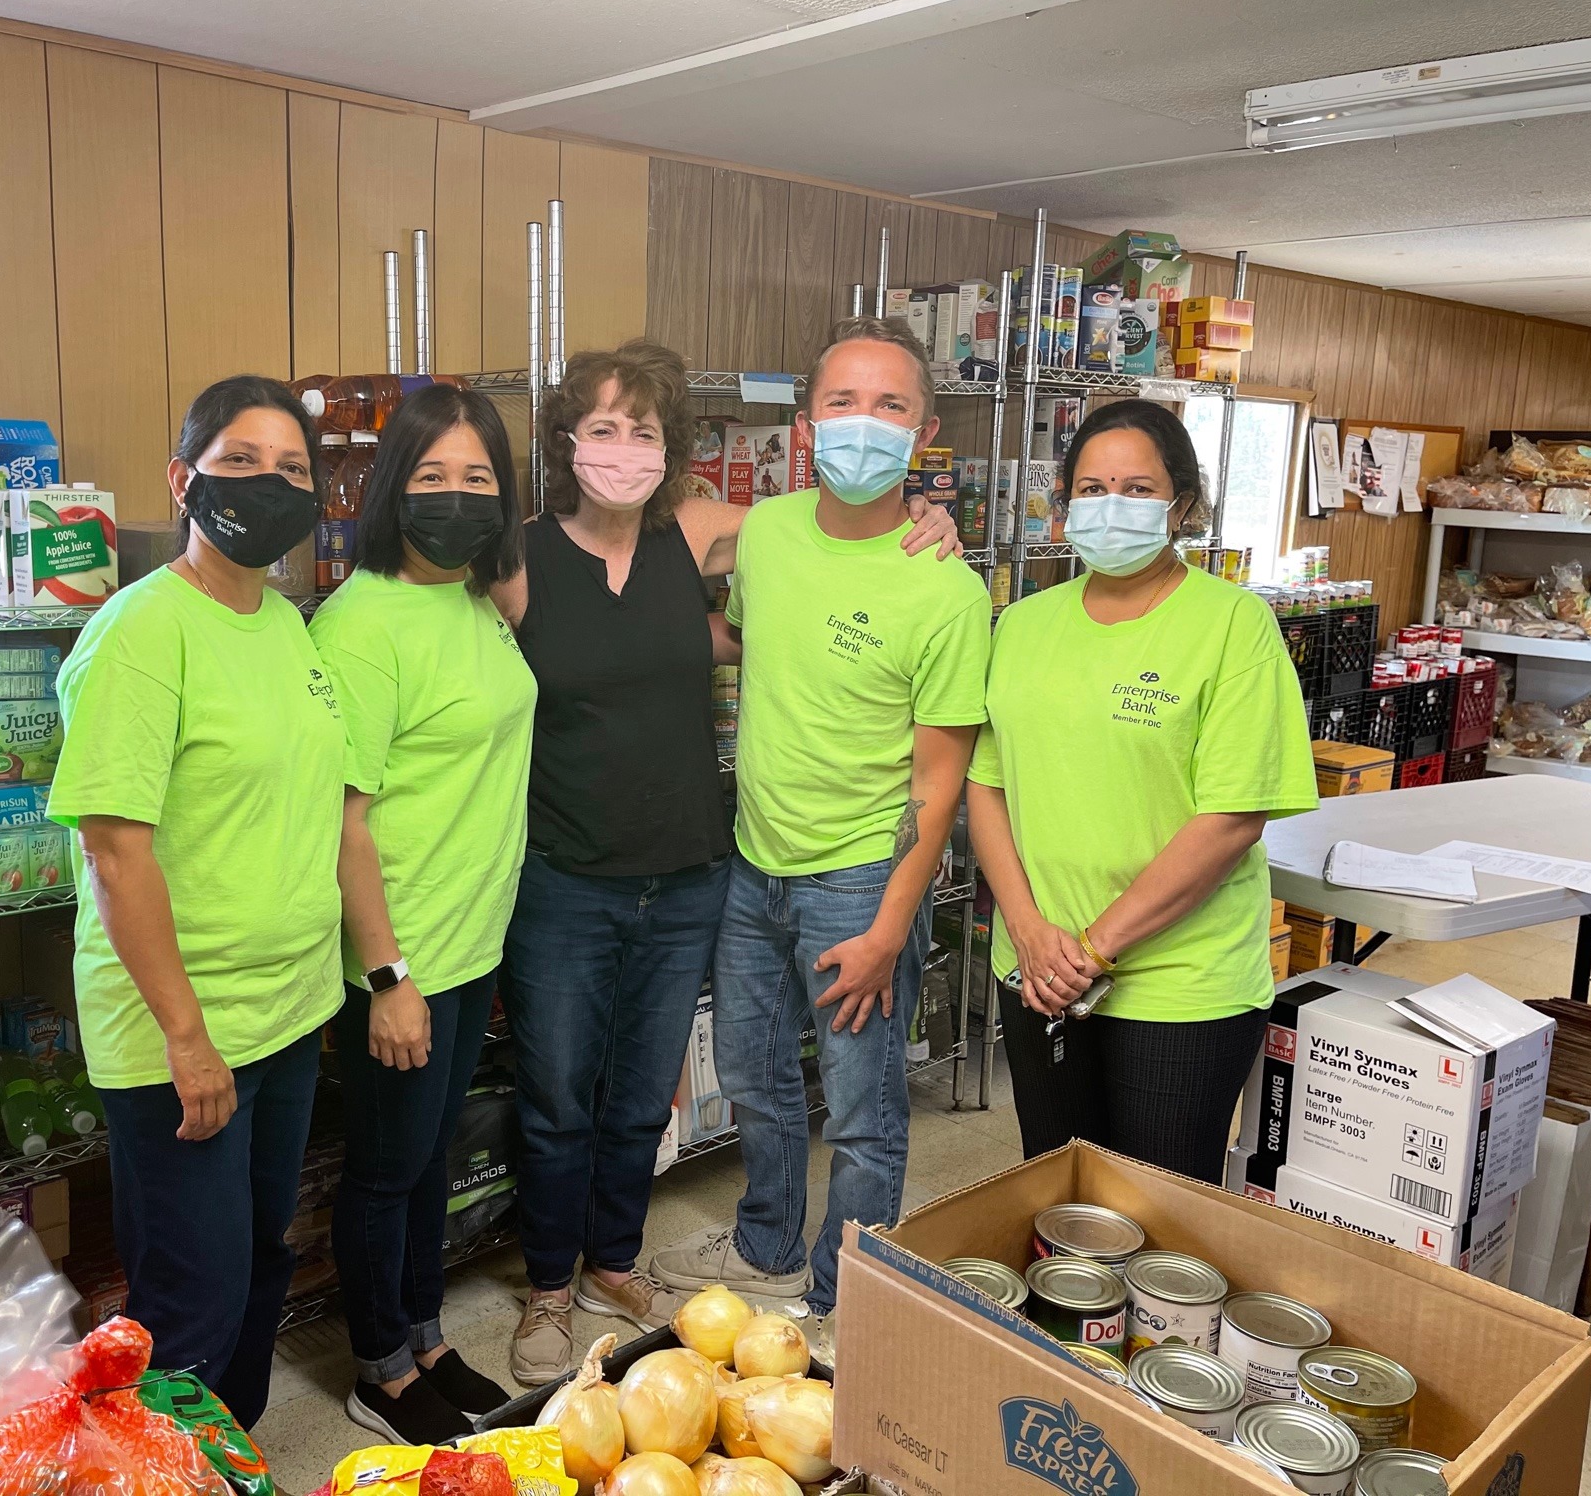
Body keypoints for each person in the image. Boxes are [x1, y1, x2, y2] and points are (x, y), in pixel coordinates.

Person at [493, 339, 961, 1386]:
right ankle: (550, 1286)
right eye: (601, 428)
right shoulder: (515, 558)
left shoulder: (709, 531)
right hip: (571, 875)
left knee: (645, 1092)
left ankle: (628, 1263)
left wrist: (931, 517)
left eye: (644, 430)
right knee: (565, 1092)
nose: (621, 450)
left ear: (674, 449)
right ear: (565, 441)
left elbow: (849, 536)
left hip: (697, 869)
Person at [648, 316, 991, 1326]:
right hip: (755, 861)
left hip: (860, 878)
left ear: (924, 430)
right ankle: (767, 1244)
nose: (863, 425)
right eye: (843, 402)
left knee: (864, 1111)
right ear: (805, 422)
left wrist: (891, 925)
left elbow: (940, 782)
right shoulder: (771, 532)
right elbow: (739, 631)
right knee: (754, 1076)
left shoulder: (946, 589)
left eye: (890, 405)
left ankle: (848, 1307)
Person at [48, 375, 344, 1430]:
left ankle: (231, 1457)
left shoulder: (284, 624)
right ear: (182, 481)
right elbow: (118, 858)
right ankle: (164, 1463)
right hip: (187, 1030)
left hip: (287, 1013)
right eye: (242, 464)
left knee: (263, 1261)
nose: (271, 487)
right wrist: (186, 1035)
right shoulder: (141, 632)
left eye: (294, 470)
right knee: (191, 1300)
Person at [965, 398, 1317, 1184]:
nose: (1110, 506)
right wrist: (1028, 933)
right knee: (1059, 1196)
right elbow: (987, 785)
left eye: (1135, 487)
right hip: (1039, 970)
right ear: (1063, 508)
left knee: (1158, 1214)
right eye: (1090, 489)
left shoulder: (1232, 625)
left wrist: (1091, 950)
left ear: (1181, 505)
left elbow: (1229, 820)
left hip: (1180, 987)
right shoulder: (1021, 625)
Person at [311, 384, 534, 1445]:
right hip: (401, 955)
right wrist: (389, 975)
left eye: (478, 477)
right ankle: (379, 1367)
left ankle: (425, 1332)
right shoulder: (361, 624)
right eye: (432, 476)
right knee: (389, 1167)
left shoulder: (479, 600)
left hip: (473, 937)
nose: (455, 497)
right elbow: (345, 823)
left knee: (432, 1157)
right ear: (393, 487)